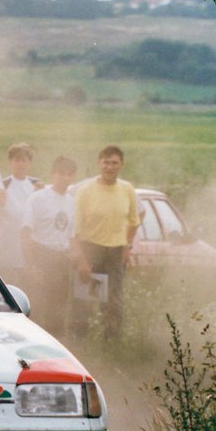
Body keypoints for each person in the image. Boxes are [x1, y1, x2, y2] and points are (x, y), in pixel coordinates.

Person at [70, 145, 140, 340]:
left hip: (116, 253)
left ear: (121, 165)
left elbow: (134, 222)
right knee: (84, 301)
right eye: (106, 162)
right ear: (99, 164)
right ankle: (79, 345)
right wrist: (82, 261)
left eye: (114, 163)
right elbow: (74, 231)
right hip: (91, 250)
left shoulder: (127, 190)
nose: (110, 167)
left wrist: (127, 246)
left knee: (114, 302)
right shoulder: (85, 191)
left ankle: (111, 345)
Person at [21, 155, 77, 335]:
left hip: (62, 259)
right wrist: (31, 265)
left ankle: (57, 343)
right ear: (53, 174)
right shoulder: (38, 198)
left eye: (69, 174)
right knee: (39, 306)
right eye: (61, 173)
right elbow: (25, 233)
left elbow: (71, 236)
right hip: (41, 255)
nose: (65, 178)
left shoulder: (71, 202)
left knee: (59, 308)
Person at [0, 142, 43, 285]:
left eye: (24, 160)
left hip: (29, 247)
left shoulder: (36, 186)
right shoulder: (2, 185)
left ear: (29, 163)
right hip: (7, 246)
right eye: (16, 160)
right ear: (10, 162)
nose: (20, 164)